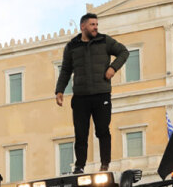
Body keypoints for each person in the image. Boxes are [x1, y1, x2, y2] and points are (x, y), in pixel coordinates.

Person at [55, 13, 129, 174]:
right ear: (83, 27)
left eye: (96, 24)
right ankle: (79, 166)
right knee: (80, 134)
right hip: (80, 97)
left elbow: (124, 52)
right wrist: (59, 90)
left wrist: (113, 68)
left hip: (101, 94)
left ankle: (105, 164)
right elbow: (66, 70)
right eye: (92, 24)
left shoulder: (105, 41)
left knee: (102, 130)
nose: (96, 27)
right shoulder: (72, 46)